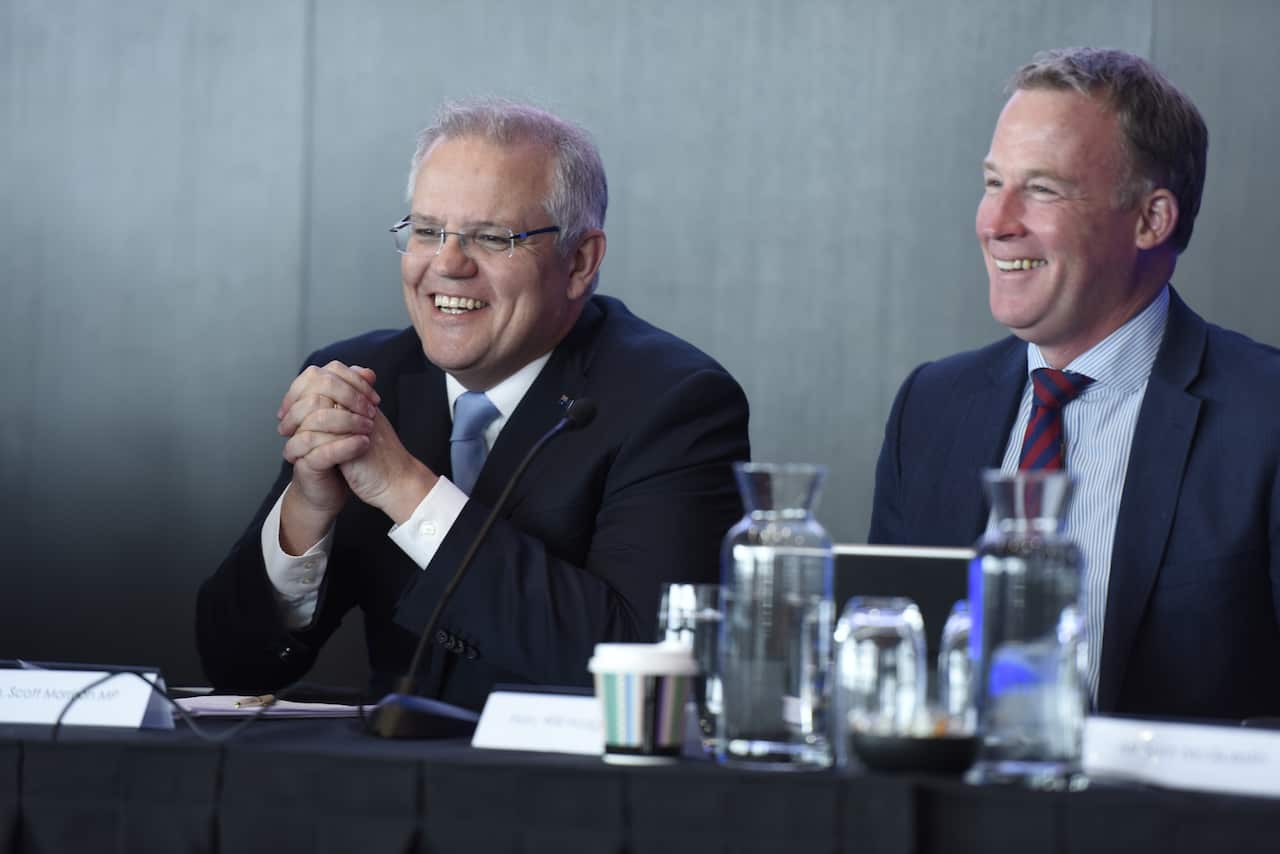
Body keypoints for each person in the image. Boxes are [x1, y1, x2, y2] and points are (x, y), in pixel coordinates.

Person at [197, 99, 750, 710]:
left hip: (572, 794)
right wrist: (307, 513)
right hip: (386, 784)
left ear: (580, 261)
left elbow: (648, 676)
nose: (448, 264)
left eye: (492, 237)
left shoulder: (674, 402)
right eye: (428, 231)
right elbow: (234, 666)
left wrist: (407, 490)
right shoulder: (364, 382)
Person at [869, 48, 1280, 720]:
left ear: (1151, 219)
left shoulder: (1265, 417)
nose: (996, 222)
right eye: (992, 182)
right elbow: (889, 679)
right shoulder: (932, 409)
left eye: (1042, 189)